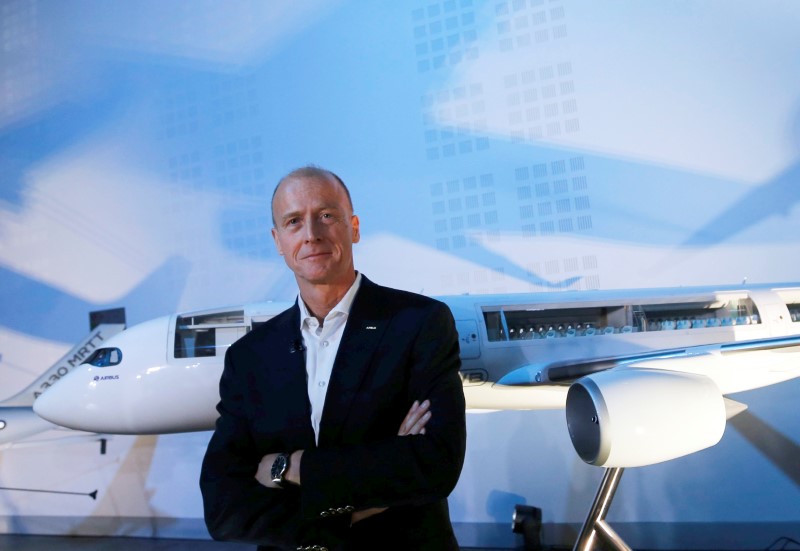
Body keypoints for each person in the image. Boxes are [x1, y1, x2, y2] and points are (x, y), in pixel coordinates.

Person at [200, 166, 467, 550]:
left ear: (354, 227)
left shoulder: (419, 324)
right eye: (294, 222)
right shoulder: (250, 357)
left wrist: (287, 466)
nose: (311, 234)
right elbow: (223, 508)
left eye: (326, 215)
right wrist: (362, 498)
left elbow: (433, 465)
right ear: (278, 240)